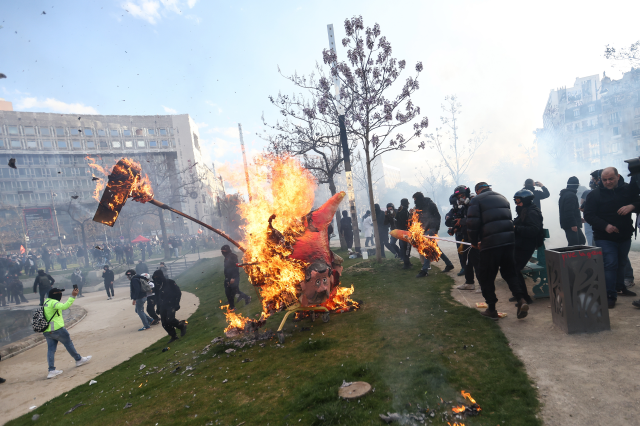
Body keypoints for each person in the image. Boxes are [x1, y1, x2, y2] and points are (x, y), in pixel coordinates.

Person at [467, 182, 529, 320]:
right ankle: (521, 299)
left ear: (477, 191)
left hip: (490, 245)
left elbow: (472, 224)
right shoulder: (503, 198)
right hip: (508, 243)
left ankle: (492, 309)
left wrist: (473, 241)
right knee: (510, 273)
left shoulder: (476, 201)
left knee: (486, 277)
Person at [584, 167, 639, 309]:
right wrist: (605, 226)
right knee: (610, 264)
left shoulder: (627, 190)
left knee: (622, 263)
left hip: (625, 235)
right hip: (604, 236)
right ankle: (610, 295)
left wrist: (632, 206)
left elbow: (639, 201)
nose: (607, 182)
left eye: (611, 179)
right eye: (604, 180)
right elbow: (588, 215)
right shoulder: (594, 195)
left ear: (618, 177)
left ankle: (621, 287)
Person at [42, 287, 92, 379]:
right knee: (68, 344)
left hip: (47, 330)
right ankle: (78, 359)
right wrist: (73, 296)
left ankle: (51, 370)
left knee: (51, 350)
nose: (60, 295)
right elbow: (65, 306)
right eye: (59, 293)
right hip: (57, 329)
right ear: (55, 295)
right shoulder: (53, 302)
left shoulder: (46, 302)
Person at [508, 189, 541, 305]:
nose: (517, 203)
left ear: (526, 200)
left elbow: (534, 230)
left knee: (515, 269)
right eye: (515, 201)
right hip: (520, 244)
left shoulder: (532, 212)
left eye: (518, 201)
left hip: (526, 246)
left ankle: (525, 298)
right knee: (511, 267)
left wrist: (515, 228)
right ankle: (519, 294)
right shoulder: (524, 210)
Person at [412, 192, 455, 278]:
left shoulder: (431, 205)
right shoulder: (418, 207)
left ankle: (425, 270)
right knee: (434, 247)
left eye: (415, 199)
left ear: (419, 198)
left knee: (427, 248)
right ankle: (449, 264)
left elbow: (437, 217)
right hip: (423, 230)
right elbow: (418, 219)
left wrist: (435, 229)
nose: (415, 201)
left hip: (431, 229)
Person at [152, 269, 185, 343]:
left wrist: (177, 303)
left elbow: (178, 292)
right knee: (164, 323)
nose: (156, 279)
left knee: (170, 319)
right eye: (154, 277)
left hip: (171, 304)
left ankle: (182, 326)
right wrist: (158, 307)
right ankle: (173, 336)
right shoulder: (157, 286)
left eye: (157, 277)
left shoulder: (170, 282)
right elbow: (157, 297)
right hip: (162, 306)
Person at [221, 245, 251, 311]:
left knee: (233, 292)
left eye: (223, 251)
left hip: (234, 277)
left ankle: (233, 307)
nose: (222, 253)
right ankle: (233, 305)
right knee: (229, 292)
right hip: (228, 277)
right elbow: (226, 269)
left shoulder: (233, 256)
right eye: (222, 251)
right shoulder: (226, 257)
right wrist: (227, 279)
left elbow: (236, 267)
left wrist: (233, 278)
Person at [559, 176, 586, 246]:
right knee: (574, 245)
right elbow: (568, 211)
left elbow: (571, 210)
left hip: (570, 223)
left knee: (581, 240)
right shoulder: (571, 195)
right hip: (570, 224)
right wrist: (573, 224)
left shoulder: (565, 194)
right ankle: (571, 257)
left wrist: (578, 219)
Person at [396, 198, 413, 269]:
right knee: (407, 248)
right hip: (406, 232)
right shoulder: (405, 211)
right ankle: (406, 264)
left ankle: (407, 262)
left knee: (403, 247)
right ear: (406, 204)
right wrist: (411, 215)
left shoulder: (399, 211)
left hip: (400, 232)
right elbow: (407, 222)